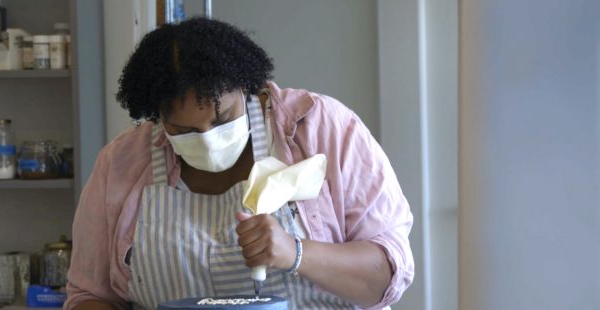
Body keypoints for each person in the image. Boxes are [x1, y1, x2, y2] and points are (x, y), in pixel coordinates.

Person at [63, 17, 413, 310]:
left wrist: (296, 253)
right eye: (183, 129)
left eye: (221, 119)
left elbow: (386, 276)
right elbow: (89, 295)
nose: (207, 139)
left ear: (246, 86)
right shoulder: (122, 162)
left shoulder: (321, 129)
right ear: (156, 117)